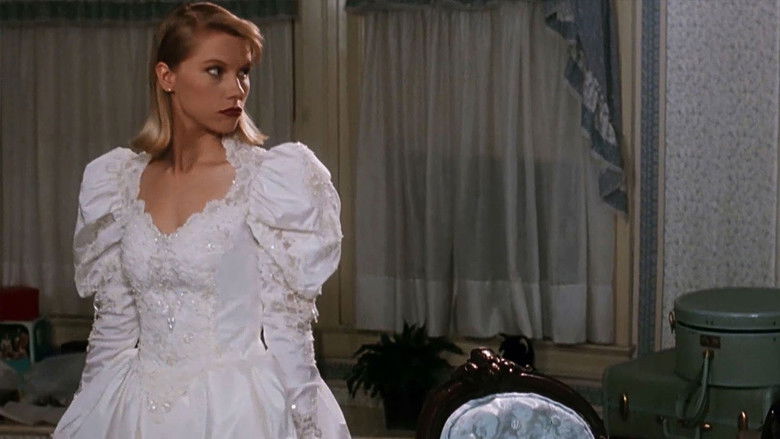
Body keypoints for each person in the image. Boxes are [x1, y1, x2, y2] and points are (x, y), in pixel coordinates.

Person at [53, 2, 350, 438]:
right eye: (216, 71)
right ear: (167, 76)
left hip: (236, 412)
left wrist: (308, 427)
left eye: (243, 72)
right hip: (137, 409)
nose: (236, 89)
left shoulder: (271, 182)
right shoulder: (115, 183)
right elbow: (113, 325)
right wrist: (86, 413)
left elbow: (289, 330)